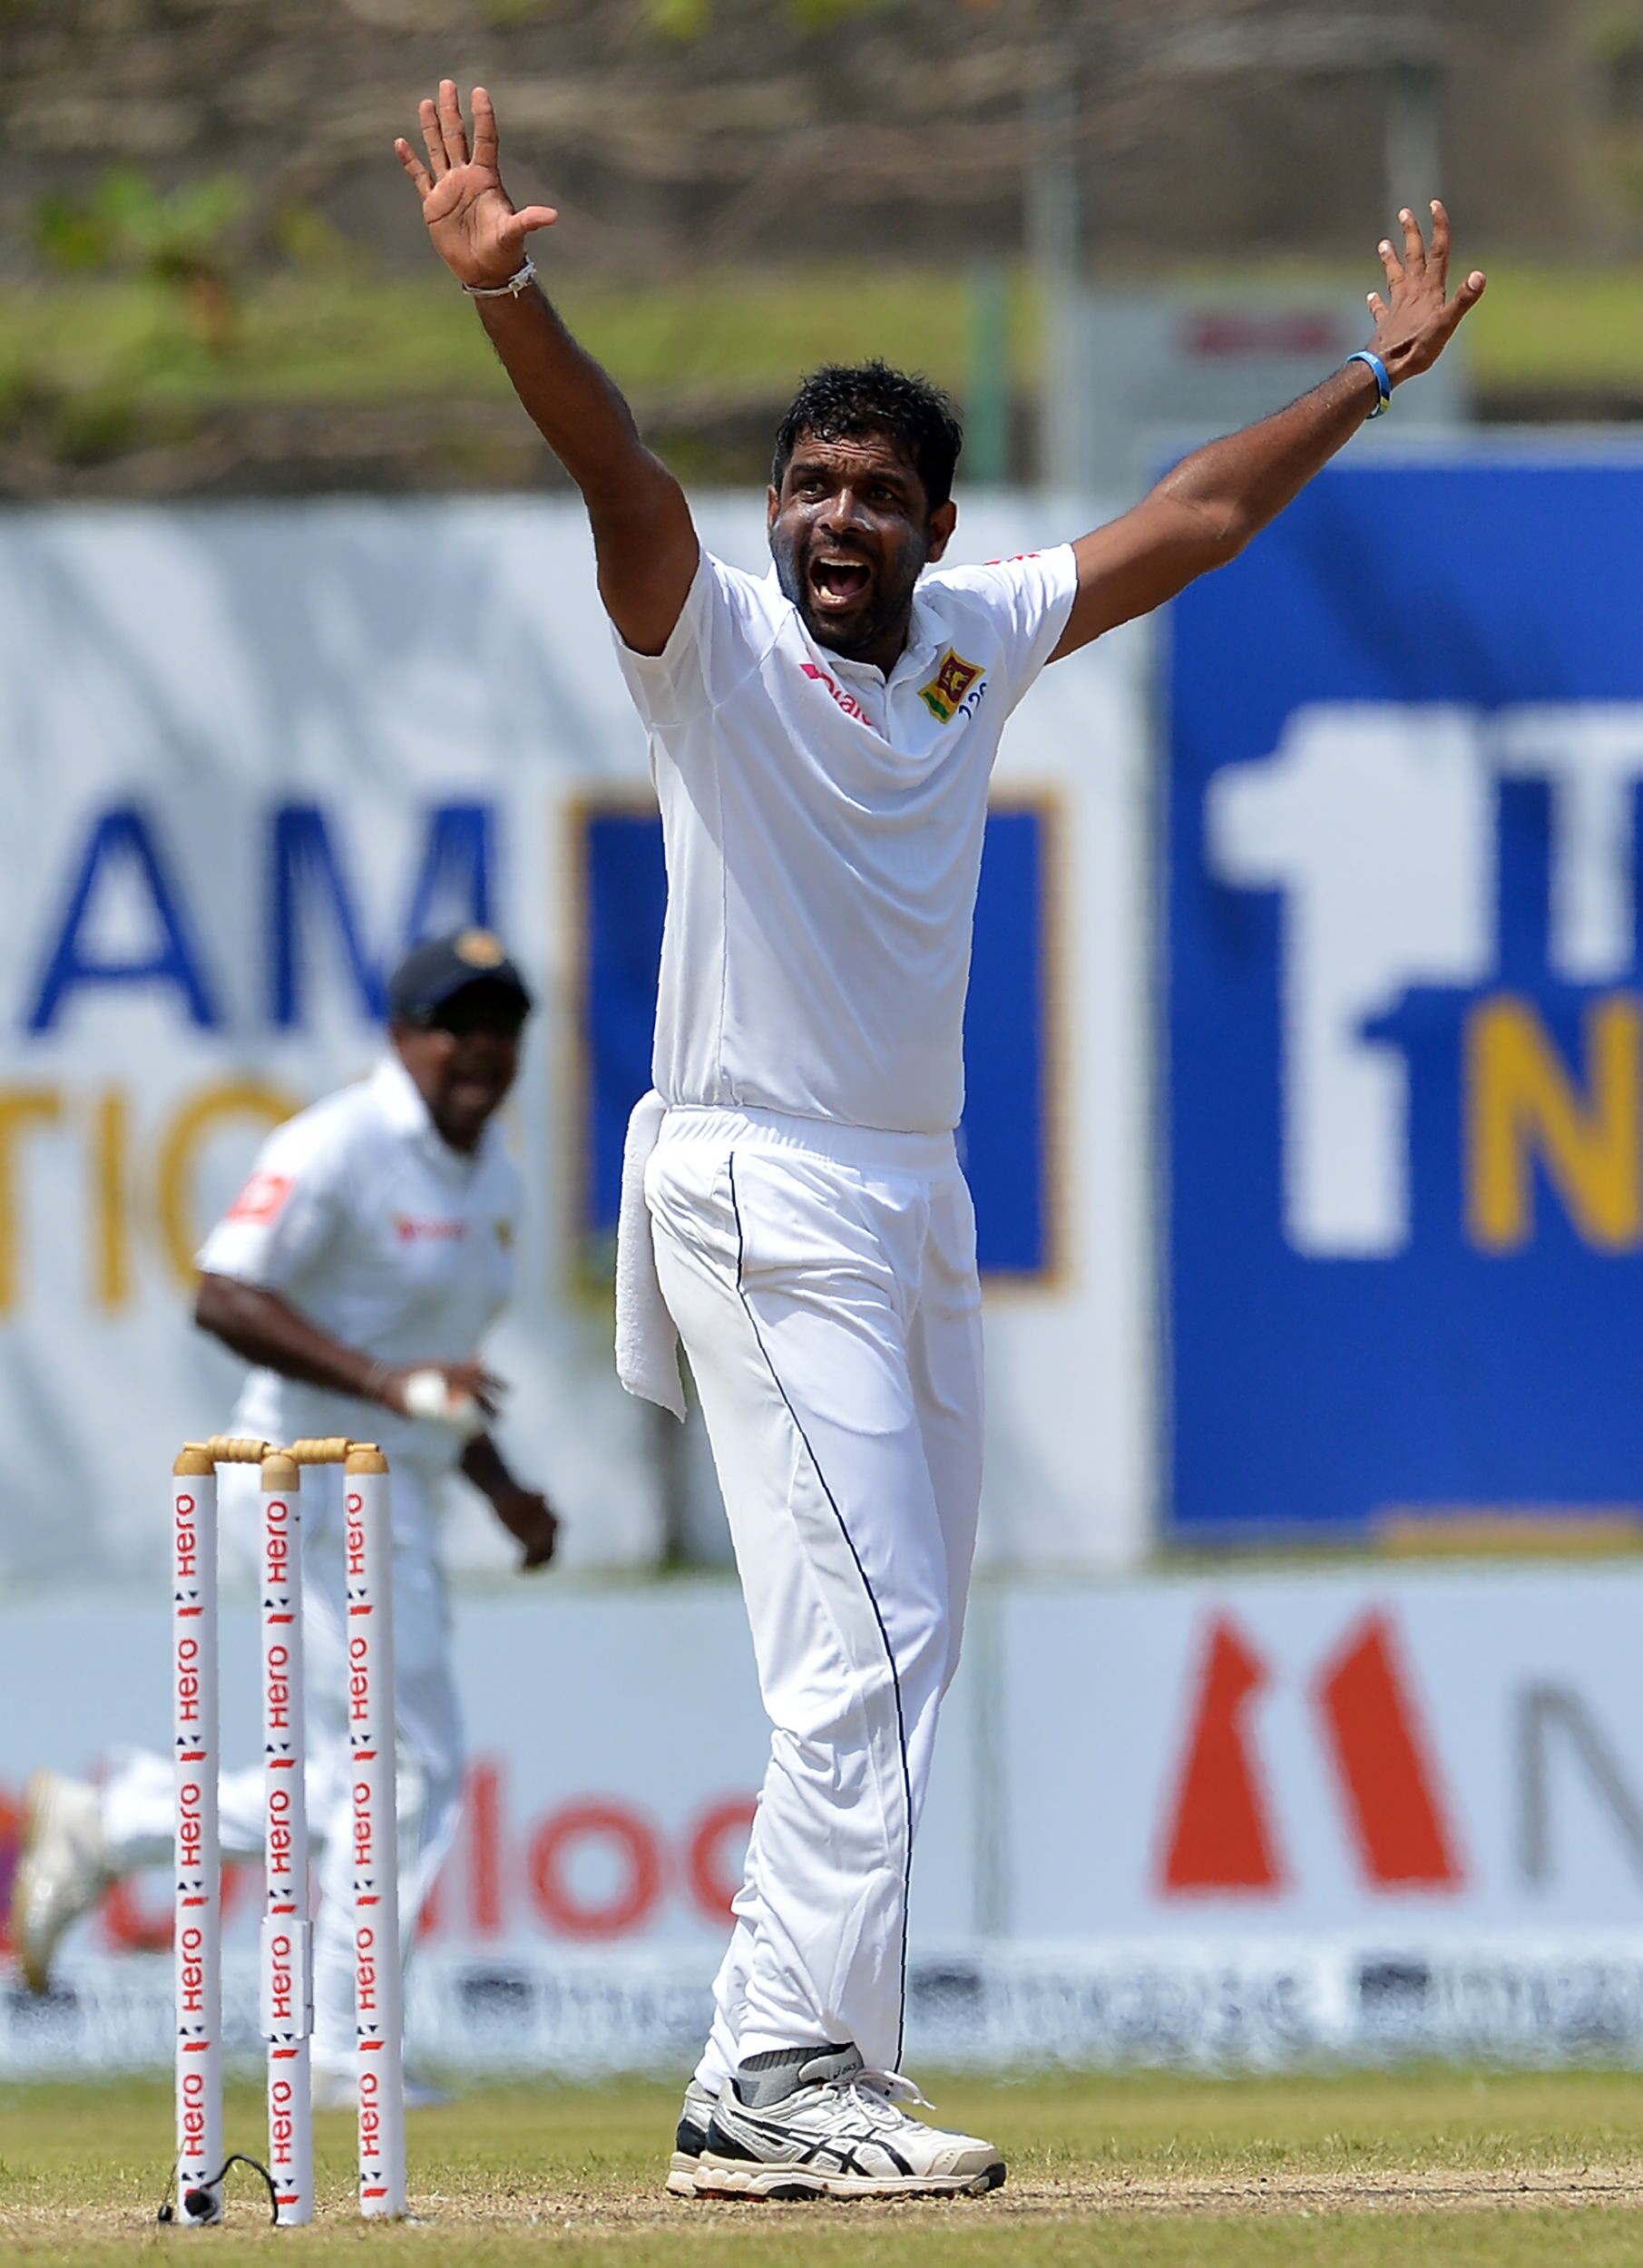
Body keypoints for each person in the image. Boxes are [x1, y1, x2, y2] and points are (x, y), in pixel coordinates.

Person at [393, 80, 1483, 2199]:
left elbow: (1192, 518)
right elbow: (616, 466)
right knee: (865, 1646)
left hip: (910, 1192)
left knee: (911, 1641)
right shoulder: (709, 650)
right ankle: (776, 2074)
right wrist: (511, 302)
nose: (827, 519)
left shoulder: (976, 644)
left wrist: (1364, 374)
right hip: (751, 1182)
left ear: (933, 525)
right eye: (804, 484)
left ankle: (809, 2075)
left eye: (870, 492)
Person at [11, 928, 559, 2106]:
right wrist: (390, 1391)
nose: (481, 1047)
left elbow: (442, 1375)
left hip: (395, 1482)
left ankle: (119, 1820)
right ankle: (337, 2046)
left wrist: (503, 1486)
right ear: (401, 1036)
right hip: (302, 1479)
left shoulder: (495, 1179)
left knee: (364, 1778)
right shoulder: (339, 1144)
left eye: (502, 1024)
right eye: (454, 1022)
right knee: (401, 1775)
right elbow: (225, 1293)